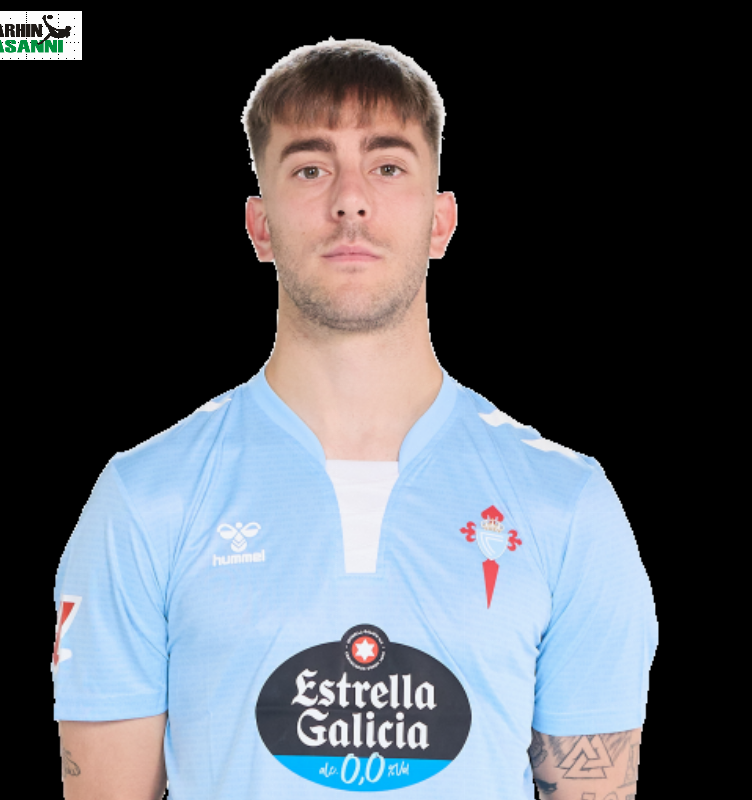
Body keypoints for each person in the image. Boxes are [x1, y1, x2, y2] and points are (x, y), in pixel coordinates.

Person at [53, 39, 657, 799]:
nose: (350, 200)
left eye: (388, 166)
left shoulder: (566, 505)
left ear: (441, 222)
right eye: (310, 168)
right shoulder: (145, 499)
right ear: (259, 226)